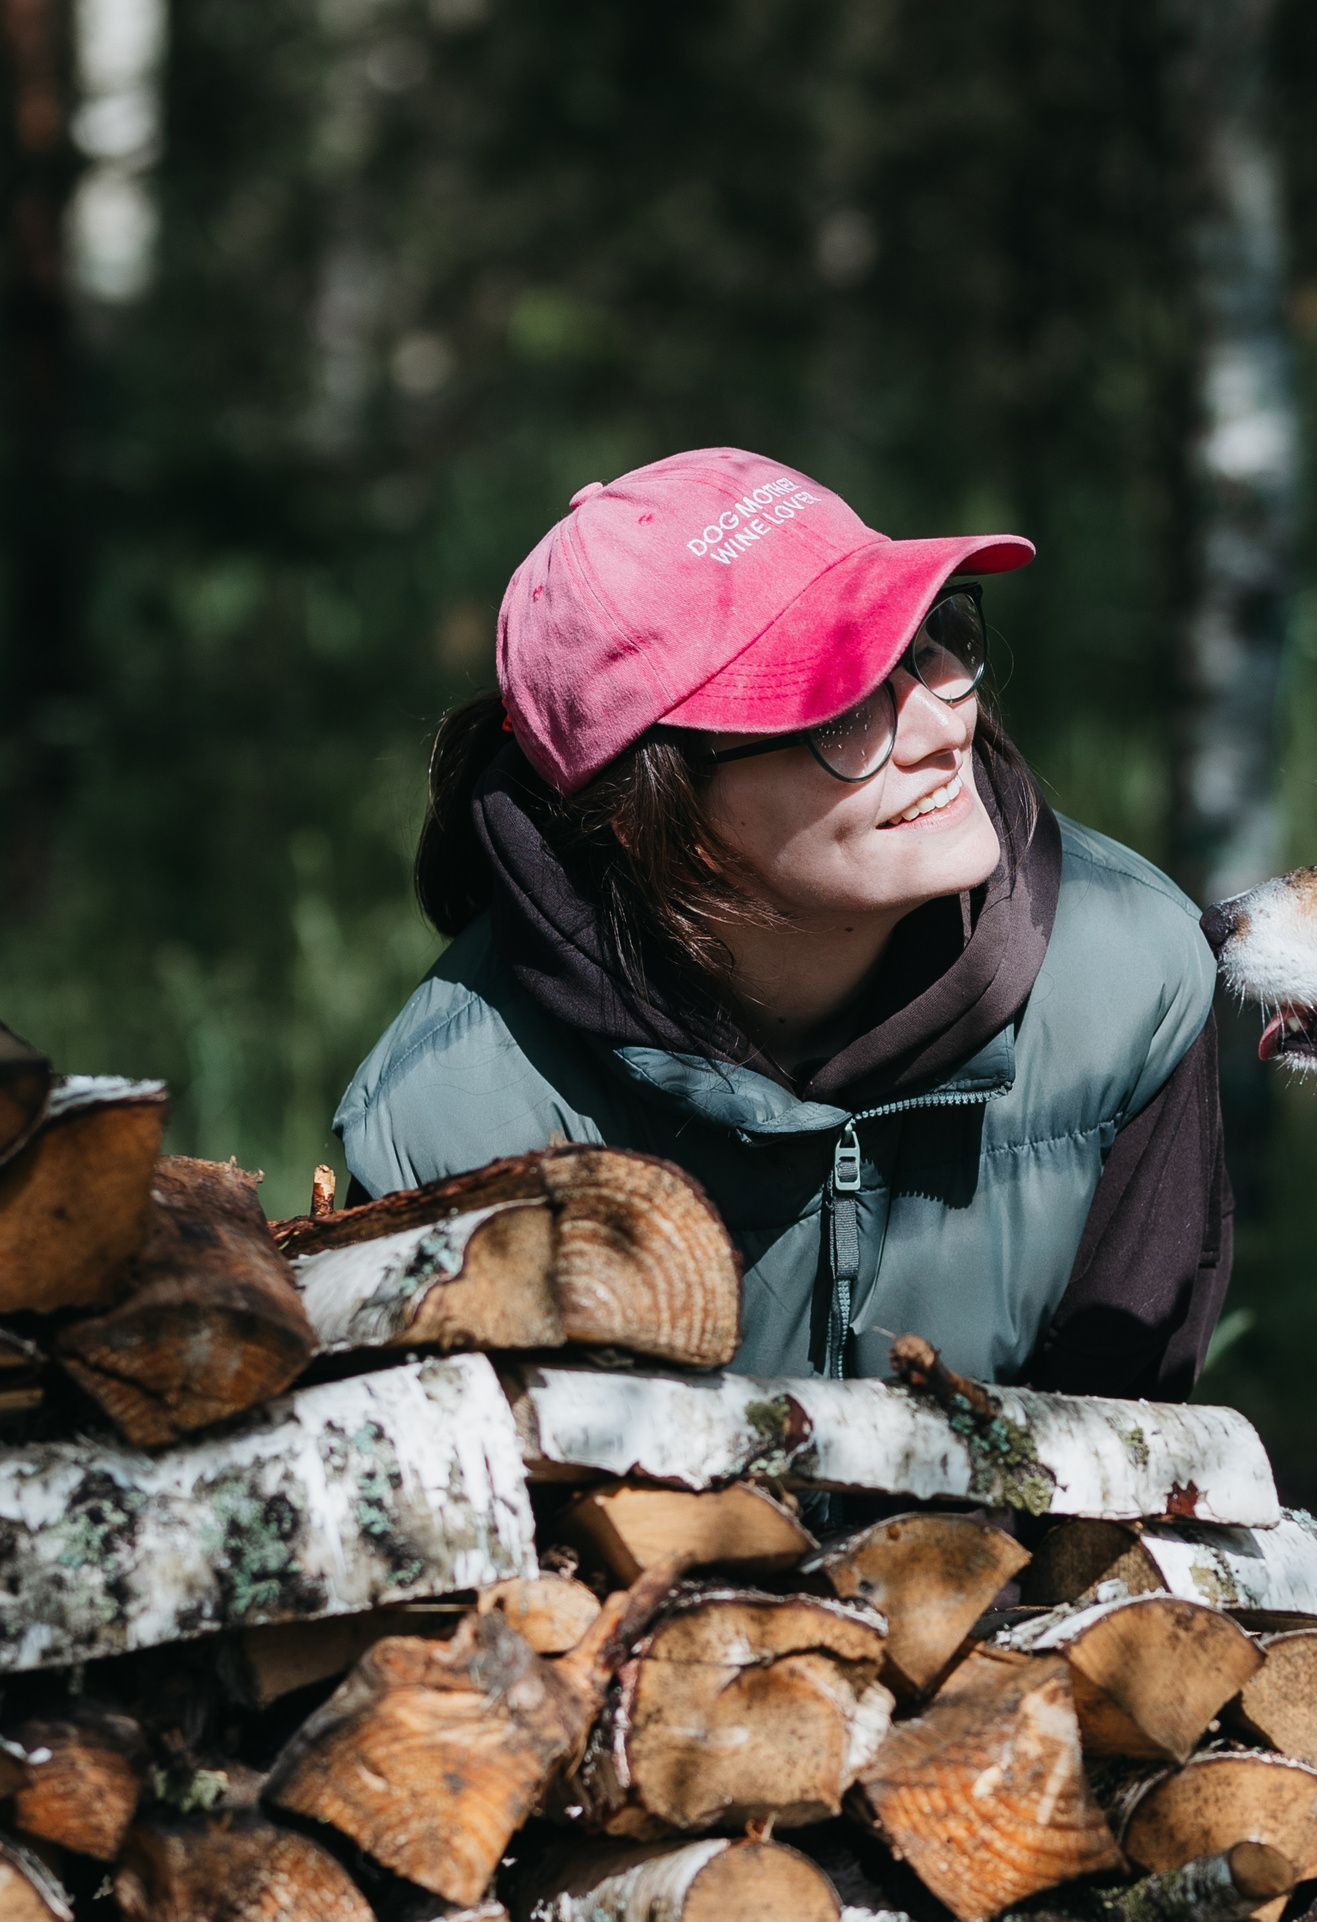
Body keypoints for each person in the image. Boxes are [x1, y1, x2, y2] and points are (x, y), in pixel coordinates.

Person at [337, 448, 1230, 1397]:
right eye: (842, 709)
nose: (938, 726)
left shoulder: (1131, 975)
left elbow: (1118, 1468)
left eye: (930, 640)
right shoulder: (448, 1124)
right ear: (648, 821)